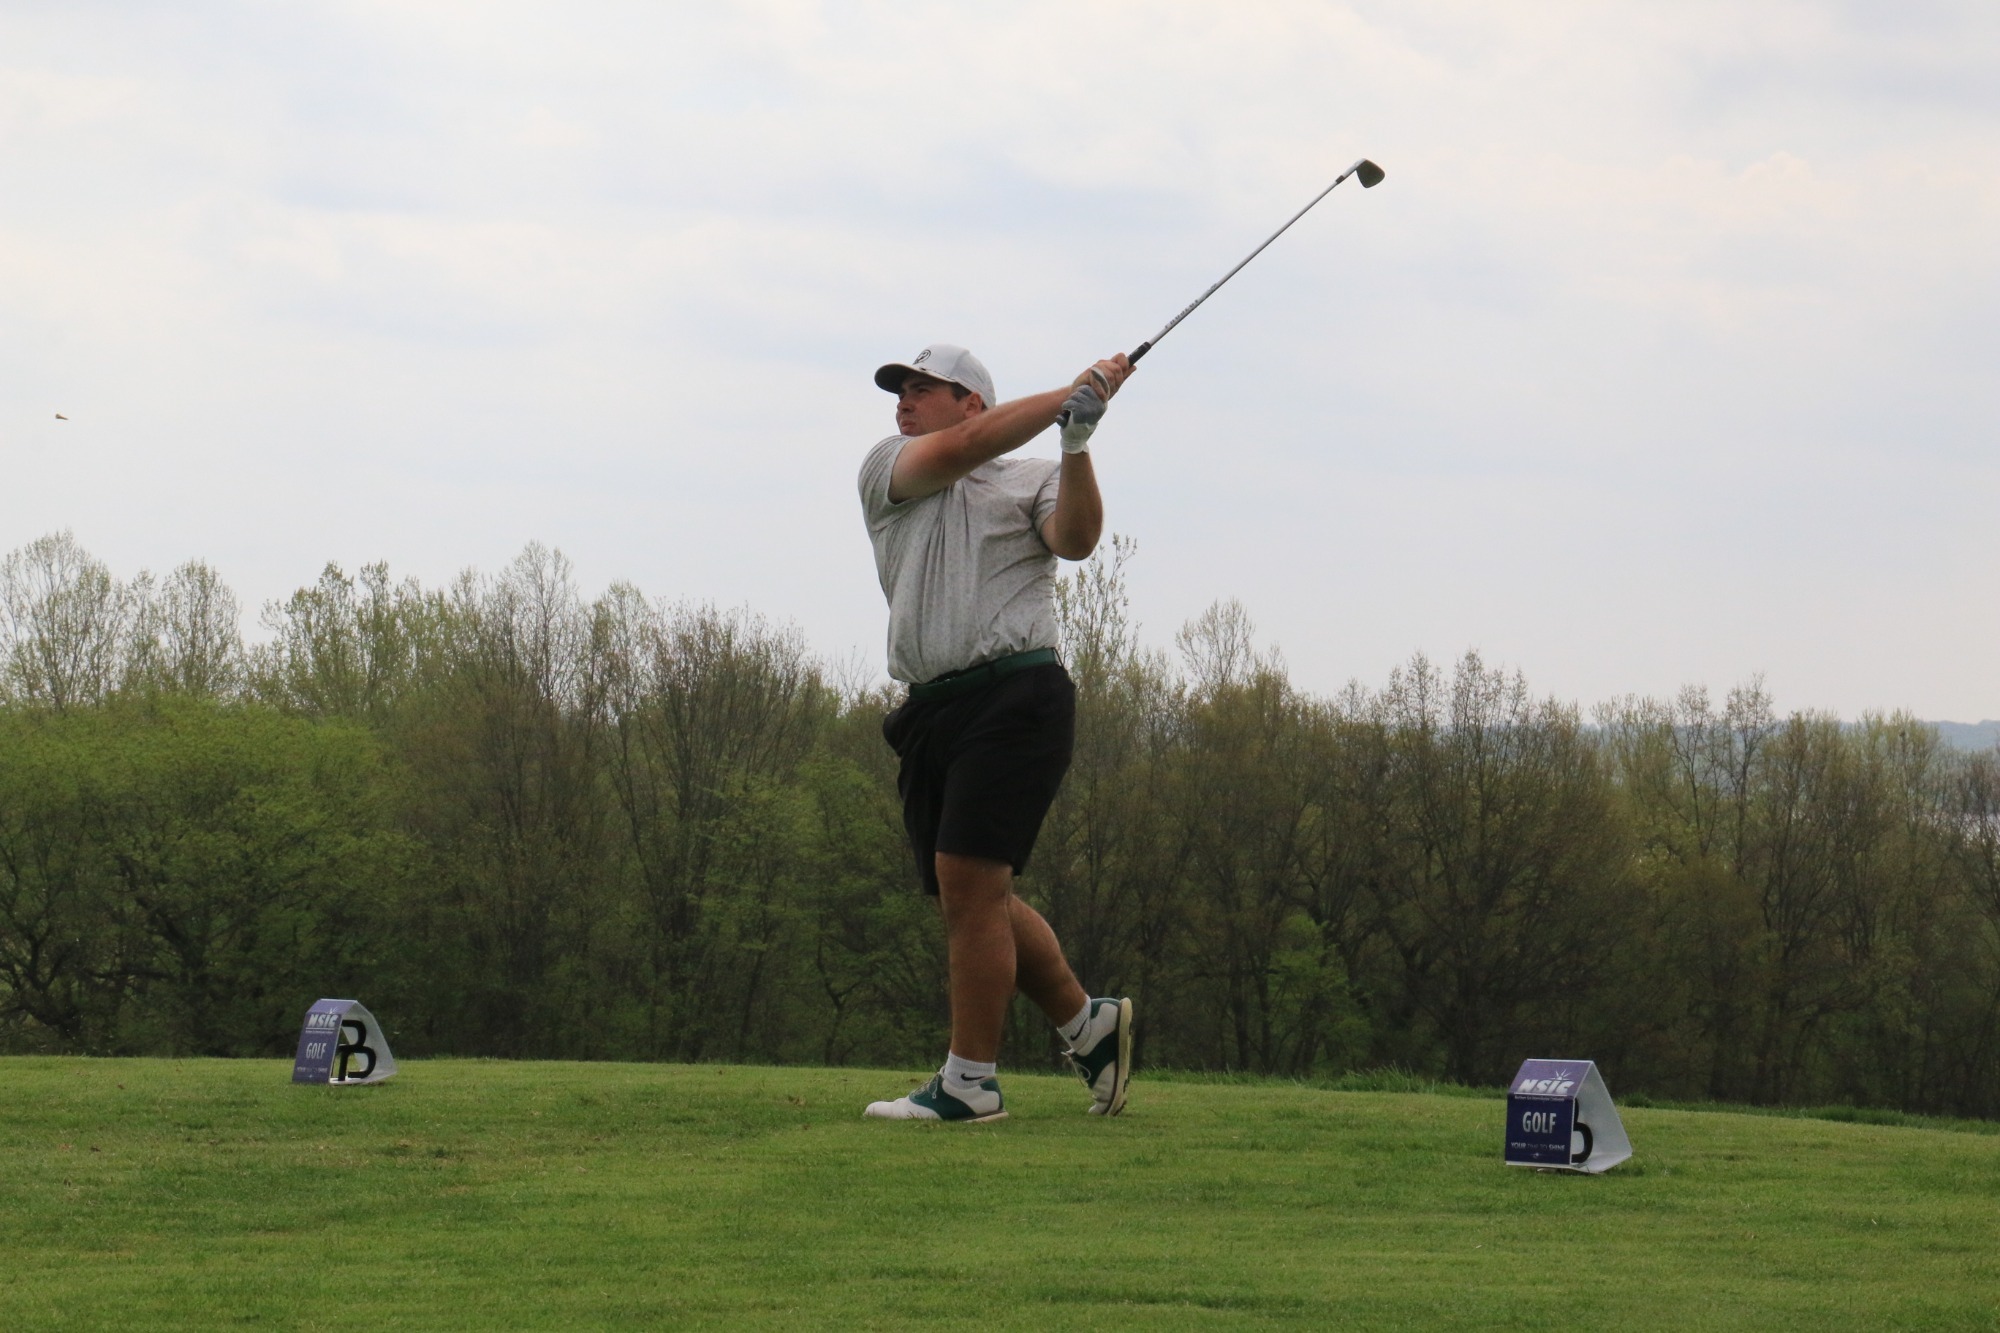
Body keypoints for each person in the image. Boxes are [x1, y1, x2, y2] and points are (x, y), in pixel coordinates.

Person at [856, 342, 1135, 1123]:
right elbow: (971, 449)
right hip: (930, 709)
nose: (904, 401)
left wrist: (1075, 444)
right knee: (972, 891)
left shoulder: (1033, 474)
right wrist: (1071, 395)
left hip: (1019, 693)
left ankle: (969, 1083)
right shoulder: (890, 465)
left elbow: (1075, 541)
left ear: (971, 399)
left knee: (972, 882)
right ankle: (1087, 1022)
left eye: (923, 388)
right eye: (900, 389)